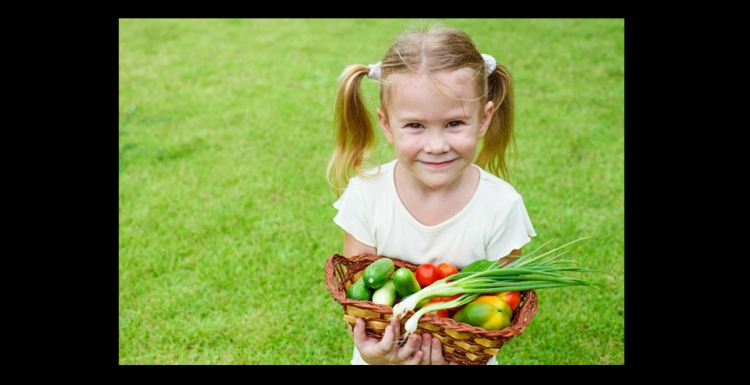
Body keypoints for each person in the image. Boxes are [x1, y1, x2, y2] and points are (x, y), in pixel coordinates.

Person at [327, 24, 536, 365]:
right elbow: (360, 296)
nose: (436, 146)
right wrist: (375, 355)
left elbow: (503, 302)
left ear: (484, 120)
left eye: (454, 123)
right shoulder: (366, 195)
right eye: (415, 125)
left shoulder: (501, 205)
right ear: (386, 124)